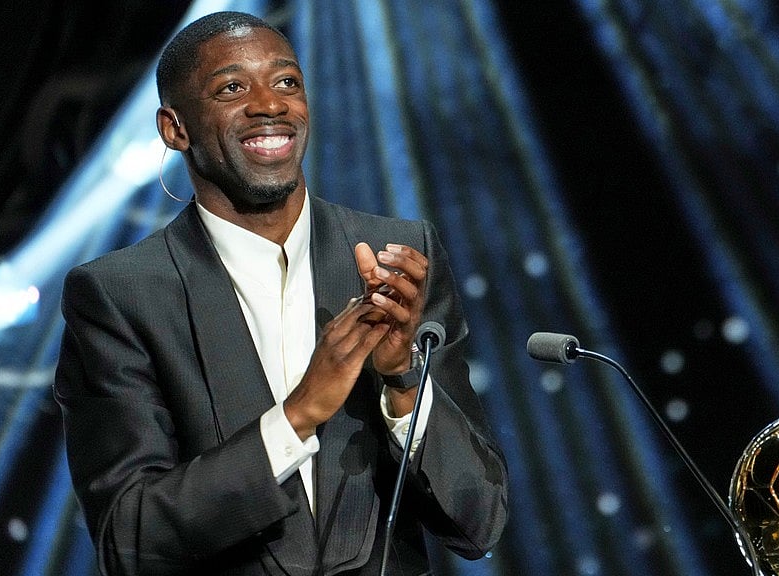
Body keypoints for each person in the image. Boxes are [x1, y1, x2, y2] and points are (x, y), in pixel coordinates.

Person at [53, 11, 508, 576]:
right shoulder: (121, 295)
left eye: (287, 81)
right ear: (175, 129)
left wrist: (403, 382)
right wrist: (297, 416)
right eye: (232, 88)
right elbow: (130, 540)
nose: (270, 104)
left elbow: (479, 522)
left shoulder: (400, 258)